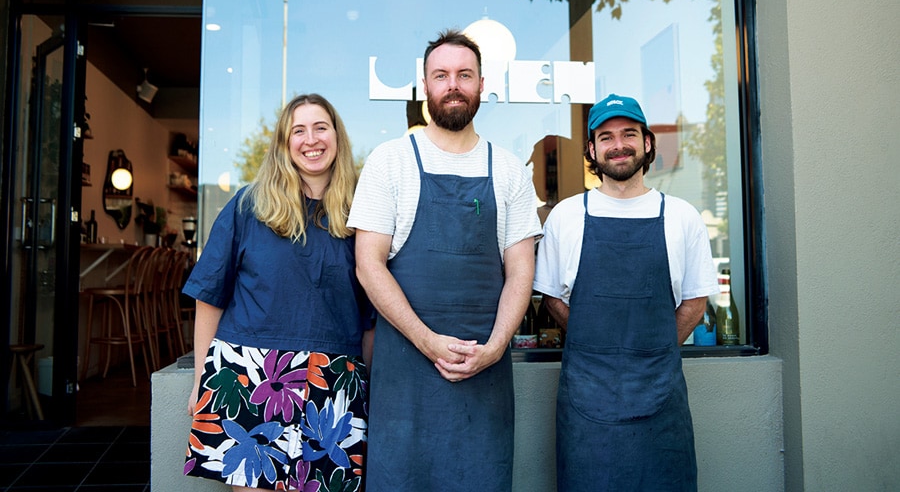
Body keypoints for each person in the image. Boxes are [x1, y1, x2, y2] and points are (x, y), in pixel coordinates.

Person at [349, 29, 542, 491]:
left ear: (481, 85)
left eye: (464, 75)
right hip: (406, 377)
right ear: (425, 85)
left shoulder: (509, 169)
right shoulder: (389, 161)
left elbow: (521, 271)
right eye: (441, 75)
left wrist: (495, 349)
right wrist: (427, 340)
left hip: (485, 376)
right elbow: (368, 265)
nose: (453, 84)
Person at [183, 94, 373, 491]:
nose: (311, 139)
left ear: (337, 136)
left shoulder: (363, 213)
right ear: (284, 144)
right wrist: (202, 378)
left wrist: (367, 388)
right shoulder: (249, 206)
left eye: (321, 127)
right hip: (248, 373)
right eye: (297, 131)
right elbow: (209, 296)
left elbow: (369, 317)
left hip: (335, 381)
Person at [534, 93, 719, 491]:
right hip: (586, 400)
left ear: (647, 142)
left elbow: (695, 302)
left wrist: (652, 349)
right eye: (606, 137)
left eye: (629, 134)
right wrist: (593, 340)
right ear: (592, 149)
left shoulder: (682, 216)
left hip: (660, 397)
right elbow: (551, 298)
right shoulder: (566, 216)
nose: (618, 145)